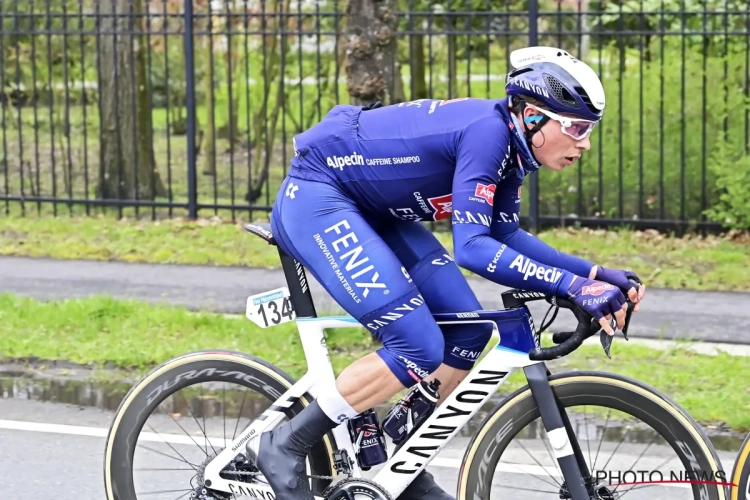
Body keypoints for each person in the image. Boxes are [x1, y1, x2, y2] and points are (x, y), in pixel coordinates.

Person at [247, 46, 647, 499]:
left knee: (469, 332)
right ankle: (286, 442)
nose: (585, 142)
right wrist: (572, 286)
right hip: (319, 196)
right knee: (417, 343)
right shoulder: (488, 136)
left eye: (589, 129)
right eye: (576, 128)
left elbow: (505, 236)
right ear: (534, 117)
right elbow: (473, 249)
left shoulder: (512, 149)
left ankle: (398, 458)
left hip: (372, 208)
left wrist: (596, 273)